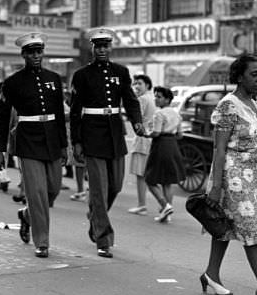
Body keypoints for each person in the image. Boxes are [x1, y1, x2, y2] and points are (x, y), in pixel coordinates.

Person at [201, 55, 257, 295]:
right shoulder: (229, 104)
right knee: (251, 230)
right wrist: (216, 186)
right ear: (239, 77)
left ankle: (211, 274)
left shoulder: (254, 104)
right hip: (231, 175)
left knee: (224, 227)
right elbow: (218, 149)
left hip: (250, 175)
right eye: (254, 74)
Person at [70, 27, 144, 258]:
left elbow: (130, 100)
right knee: (99, 191)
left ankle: (94, 216)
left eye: (105, 46)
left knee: (115, 187)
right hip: (92, 135)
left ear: (110, 47)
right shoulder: (82, 75)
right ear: (92, 48)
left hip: (114, 134)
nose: (102, 50)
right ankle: (103, 239)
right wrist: (77, 141)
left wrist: (137, 121)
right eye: (98, 46)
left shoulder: (121, 71)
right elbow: (75, 111)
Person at [0, 33, 67, 258]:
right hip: (28, 141)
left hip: (53, 140)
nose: (36, 56)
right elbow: (3, 118)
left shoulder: (54, 78)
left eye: (39, 51)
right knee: (36, 193)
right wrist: (0, 150)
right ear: (23, 54)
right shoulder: (13, 83)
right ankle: (42, 242)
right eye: (31, 52)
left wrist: (65, 145)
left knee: (53, 189)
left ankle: (27, 216)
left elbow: (59, 115)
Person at [142, 86, 186, 223]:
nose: (156, 99)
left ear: (167, 99)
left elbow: (156, 133)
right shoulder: (176, 114)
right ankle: (167, 213)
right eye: (155, 96)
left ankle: (164, 205)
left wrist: (145, 134)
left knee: (150, 179)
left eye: (159, 97)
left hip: (160, 145)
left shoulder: (159, 114)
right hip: (173, 145)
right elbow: (180, 135)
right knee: (167, 182)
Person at [128, 74, 156, 215]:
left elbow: (136, 117)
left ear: (147, 85)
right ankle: (162, 205)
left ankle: (142, 204)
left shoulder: (142, 99)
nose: (136, 86)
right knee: (146, 174)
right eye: (135, 84)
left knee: (140, 175)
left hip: (142, 139)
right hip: (150, 139)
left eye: (139, 83)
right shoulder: (151, 98)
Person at [63, 87, 88, 202]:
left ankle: (81, 190)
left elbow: (73, 117)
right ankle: (84, 190)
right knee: (84, 164)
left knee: (80, 164)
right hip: (88, 135)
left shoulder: (79, 103)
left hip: (82, 135)